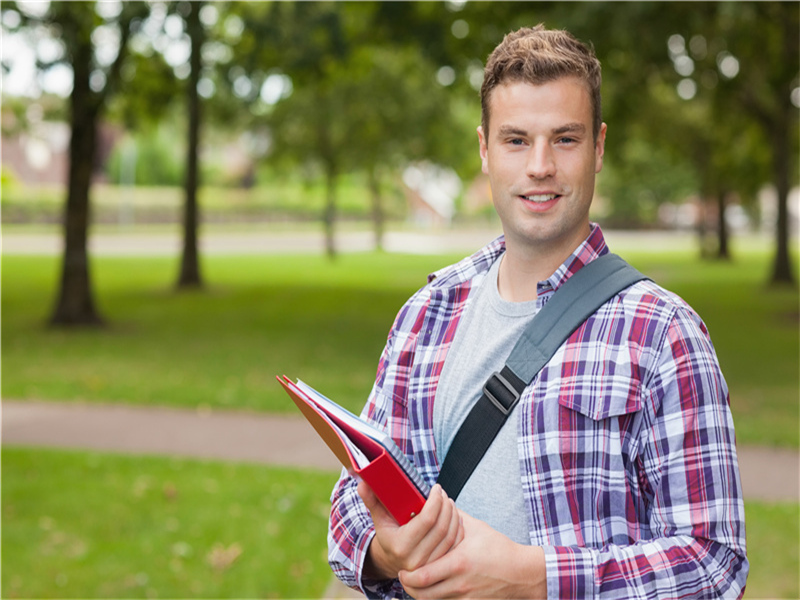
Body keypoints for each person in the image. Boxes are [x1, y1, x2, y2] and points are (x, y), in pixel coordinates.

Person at [328, 25, 748, 599]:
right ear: (484, 150)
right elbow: (352, 506)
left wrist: (534, 578)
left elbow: (714, 565)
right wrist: (383, 552)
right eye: (517, 140)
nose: (541, 166)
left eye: (566, 139)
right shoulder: (426, 315)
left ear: (599, 147)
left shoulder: (663, 333)